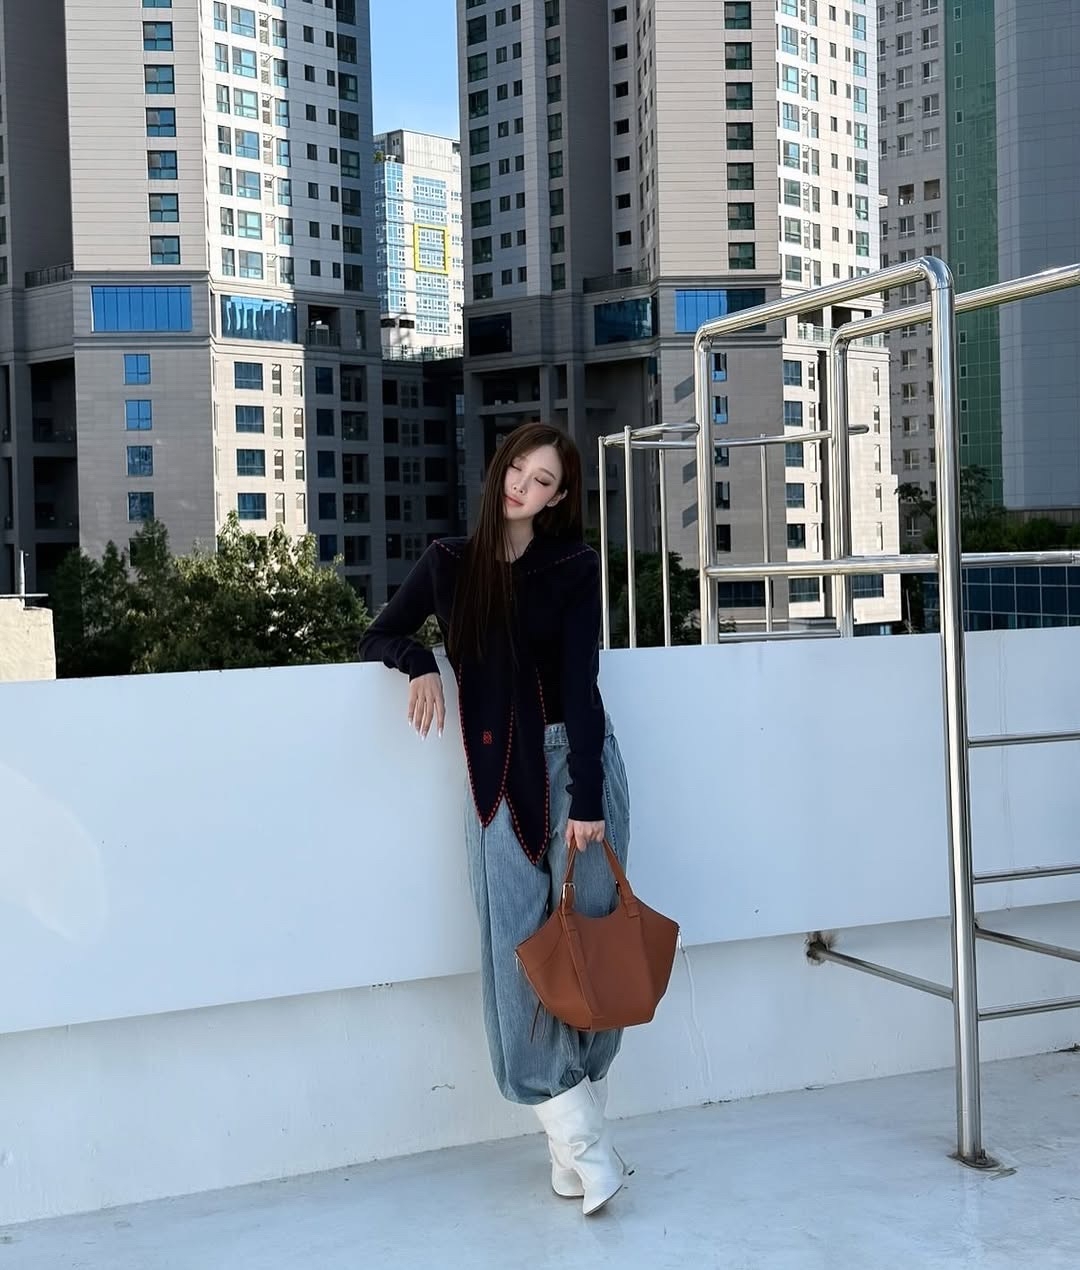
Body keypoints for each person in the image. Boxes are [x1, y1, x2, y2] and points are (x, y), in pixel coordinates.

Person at [358, 421, 632, 1215]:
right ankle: (583, 1142)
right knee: (517, 950)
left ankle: (573, 1142)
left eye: (543, 480)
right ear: (500, 469)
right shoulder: (449, 563)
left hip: (576, 764)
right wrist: (419, 664)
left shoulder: (572, 566)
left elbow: (581, 680)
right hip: (494, 778)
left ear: (559, 496)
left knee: (590, 940)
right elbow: (381, 632)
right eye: (518, 469)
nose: (523, 486)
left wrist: (588, 796)